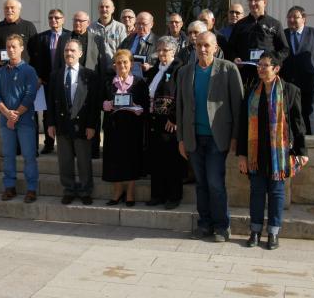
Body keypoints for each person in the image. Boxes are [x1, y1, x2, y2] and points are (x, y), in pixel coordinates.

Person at [237, 51, 308, 250]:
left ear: (276, 68)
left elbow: (298, 123)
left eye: (264, 65)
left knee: (277, 193)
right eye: (259, 65)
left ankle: (274, 233)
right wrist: (242, 154)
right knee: (257, 192)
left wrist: (301, 151)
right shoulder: (251, 91)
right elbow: (243, 126)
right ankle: (255, 231)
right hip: (256, 153)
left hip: (279, 153)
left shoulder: (290, 91)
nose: (260, 68)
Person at [177, 32, 243, 242]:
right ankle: (204, 224)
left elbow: (237, 106)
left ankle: (222, 227)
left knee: (215, 183)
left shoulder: (228, 69)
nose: (202, 49)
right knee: (201, 184)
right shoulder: (185, 72)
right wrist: (181, 139)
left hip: (217, 137)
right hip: (194, 137)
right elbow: (180, 107)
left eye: (206, 45)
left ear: (215, 47)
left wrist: (235, 137)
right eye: (198, 45)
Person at [47, 39, 100, 205]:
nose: (69, 53)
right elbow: (50, 102)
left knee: (84, 161)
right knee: (65, 161)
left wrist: (92, 125)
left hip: (83, 126)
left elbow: (94, 104)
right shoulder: (55, 75)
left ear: (80, 53)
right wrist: (50, 123)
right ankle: (69, 189)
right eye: (66, 51)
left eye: (72, 50)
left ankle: (85, 191)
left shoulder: (89, 75)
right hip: (62, 124)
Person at [0, 34, 39, 203]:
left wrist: (16, 114)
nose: (11, 50)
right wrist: (7, 114)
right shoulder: (0, 72)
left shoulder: (29, 71)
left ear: (21, 48)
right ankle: (9, 187)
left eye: (14, 46)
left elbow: (30, 95)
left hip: (25, 121)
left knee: (28, 155)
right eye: (8, 47)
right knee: (8, 155)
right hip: (6, 121)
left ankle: (32, 189)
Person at [102, 49, 150, 207]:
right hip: (113, 128)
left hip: (132, 128)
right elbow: (100, 101)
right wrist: (107, 104)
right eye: (119, 62)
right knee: (114, 160)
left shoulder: (139, 82)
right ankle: (117, 192)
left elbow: (146, 106)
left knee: (131, 159)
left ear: (131, 64)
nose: (122, 65)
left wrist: (136, 107)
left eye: (125, 62)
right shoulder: (108, 81)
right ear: (114, 64)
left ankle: (130, 193)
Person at [144, 36, 185, 209]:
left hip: (169, 122)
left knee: (171, 161)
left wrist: (175, 118)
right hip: (154, 120)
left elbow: (181, 95)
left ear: (174, 51)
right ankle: (157, 195)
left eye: (165, 50)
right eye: (159, 49)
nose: (161, 53)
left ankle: (173, 196)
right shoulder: (154, 70)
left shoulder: (179, 69)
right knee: (156, 159)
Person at [280, 6, 314, 135]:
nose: (291, 20)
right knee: (290, 115)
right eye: (289, 17)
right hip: (288, 83)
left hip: (308, 83)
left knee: (308, 115)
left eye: (295, 17)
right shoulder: (282, 34)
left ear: (304, 19)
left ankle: (312, 144)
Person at [29, 9, 71, 154]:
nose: (54, 20)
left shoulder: (70, 36)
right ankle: (48, 143)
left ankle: (65, 144)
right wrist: (38, 77)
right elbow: (35, 60)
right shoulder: (41, 38)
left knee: (65, 111)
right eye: (51, 18)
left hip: (66, 80)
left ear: (63, 19)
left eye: (57, 18)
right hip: (46, 81)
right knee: (48, 113)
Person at [228, 0, 289, 89]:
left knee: (265, 103)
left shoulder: (275, 24)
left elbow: (285, 49)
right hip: (245, 74)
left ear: (264, 2)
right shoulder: (240, 25)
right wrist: (234, 58)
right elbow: (230, 48)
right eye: (250, 0)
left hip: (267, 75)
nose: (252, 3)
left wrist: (273, 62)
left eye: (256, 0)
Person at [68, 10, 107, 158]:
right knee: (73, 116)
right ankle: (74, 149)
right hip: (71, 83)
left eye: (81, 21)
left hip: (91, 85)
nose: (78, 23)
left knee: (92, 118)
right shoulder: (66, 37)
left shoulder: (97, 39)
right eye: (75, 20)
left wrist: (102, 87)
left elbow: (102, 64)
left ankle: (93, 149)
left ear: (88, 23)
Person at [0, 0, 38, 74]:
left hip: (24, 72)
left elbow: (36, 51)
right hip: (3, 73)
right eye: (6, 8)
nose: (9, 10)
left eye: (12, 8)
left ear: (19, 10)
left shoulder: (28, 26)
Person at [118, 11, 159, 78]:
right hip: (127, 79)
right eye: (138, 23)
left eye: (144, 24)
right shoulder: (128, 40)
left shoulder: (158, 43)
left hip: (147, 80)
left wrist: (150, 67)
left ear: (151, 24)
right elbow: (118, 55)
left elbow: (163, 64)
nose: (140, 26)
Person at [88, 0, 127, 64]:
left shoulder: (120, 27)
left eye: (107, 7)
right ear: (98, 9)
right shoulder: (91, 27)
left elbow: (123, 50)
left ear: (113, 9)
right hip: (96, 68)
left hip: (114, 67)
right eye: (101, 7)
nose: (104, 9)